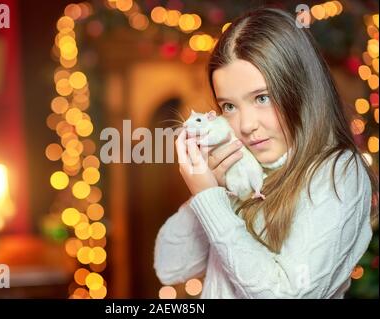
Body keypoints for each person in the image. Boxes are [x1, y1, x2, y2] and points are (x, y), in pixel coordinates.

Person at [153, 7, 378, 298]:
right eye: (229, 106)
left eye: (262, 97)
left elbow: (286, 294)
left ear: (301, 89)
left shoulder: (338, 172)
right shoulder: (241, 170)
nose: (246, 125)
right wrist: (209, 192)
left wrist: (209, 200)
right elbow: (170, 267)